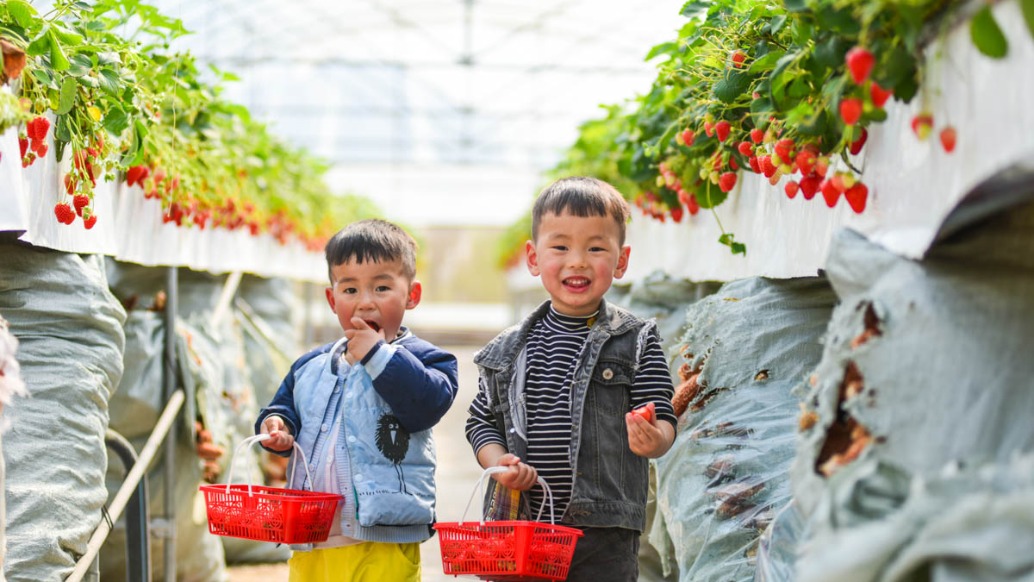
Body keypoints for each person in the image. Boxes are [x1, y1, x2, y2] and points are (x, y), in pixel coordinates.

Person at [465, 176, 678, 581]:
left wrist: (656, 438)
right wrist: (500, 464)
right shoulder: (506, 351)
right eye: (560, 247)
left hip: (602, 535)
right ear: (533, 257)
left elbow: (662, 412)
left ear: (621, 260)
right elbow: (481, 422)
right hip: (524, 529)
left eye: (595, 248)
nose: (577, 261)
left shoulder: (635, 340)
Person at [256, 219, 459, 582]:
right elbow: (283, 408)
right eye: (350, 290)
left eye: (382, 287)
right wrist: (277, 426)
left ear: (411, 295)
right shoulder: (310, 366)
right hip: (314, 536)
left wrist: (378, 355)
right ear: (332, 300)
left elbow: (427, 404)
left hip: (383, 532)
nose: (365, 302)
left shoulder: (429, 360)